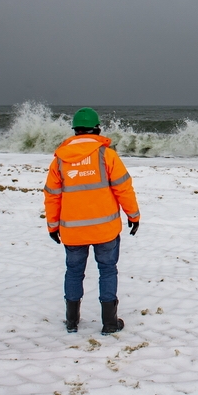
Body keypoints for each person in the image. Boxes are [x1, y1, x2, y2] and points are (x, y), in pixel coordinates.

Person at [44, 107, 140, 334]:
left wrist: (52, 225)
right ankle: (109, 323)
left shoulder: (59, 160)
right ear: (97, 128)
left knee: (74, 272)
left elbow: (51, 195)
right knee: (107, 270)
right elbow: (123, 189)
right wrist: (133, 215)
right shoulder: (107, 155)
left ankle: (71, 322)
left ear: (75, 131)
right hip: (104, 229)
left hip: (72, 231)